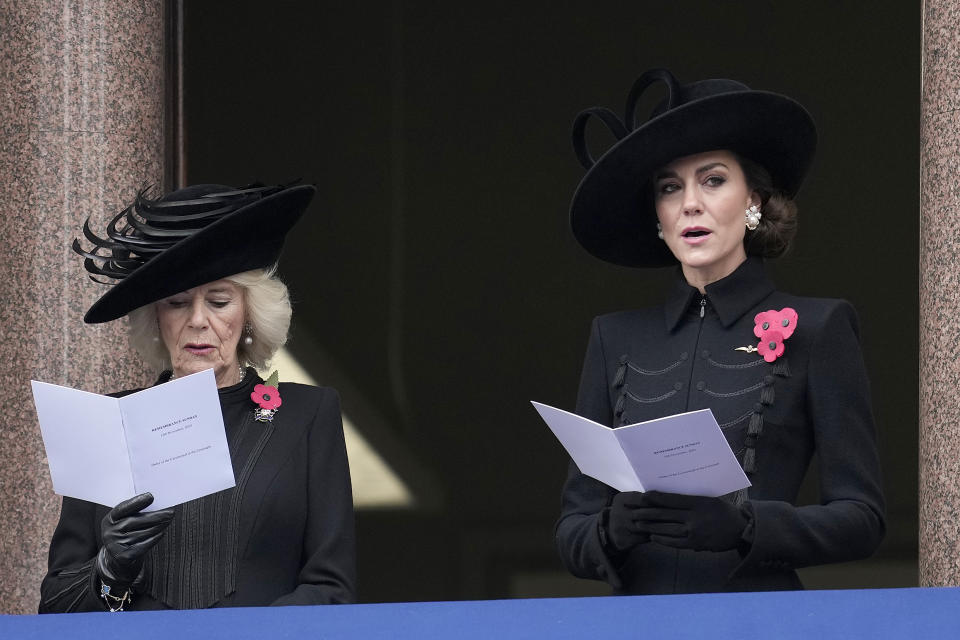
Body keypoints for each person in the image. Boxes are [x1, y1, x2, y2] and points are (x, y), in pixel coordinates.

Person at [555, 69, 885, 594]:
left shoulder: (820, 327)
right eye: (669, 187)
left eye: (712, 180)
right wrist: (609, 530)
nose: (690, 203)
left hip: (758, 621)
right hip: (638, 628)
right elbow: (571, 529)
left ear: (753, 199)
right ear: (659, 220)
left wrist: (748, 527)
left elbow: (862, 517)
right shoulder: (611, 337)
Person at [39, 183, 355, 611]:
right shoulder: (106, 425)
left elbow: (332, 589)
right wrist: (107, 568)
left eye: (220, 301)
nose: (198, 321)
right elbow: (55, 606)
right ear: (156, 319)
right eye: (177, 303)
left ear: (248, 314)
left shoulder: (307, 416)